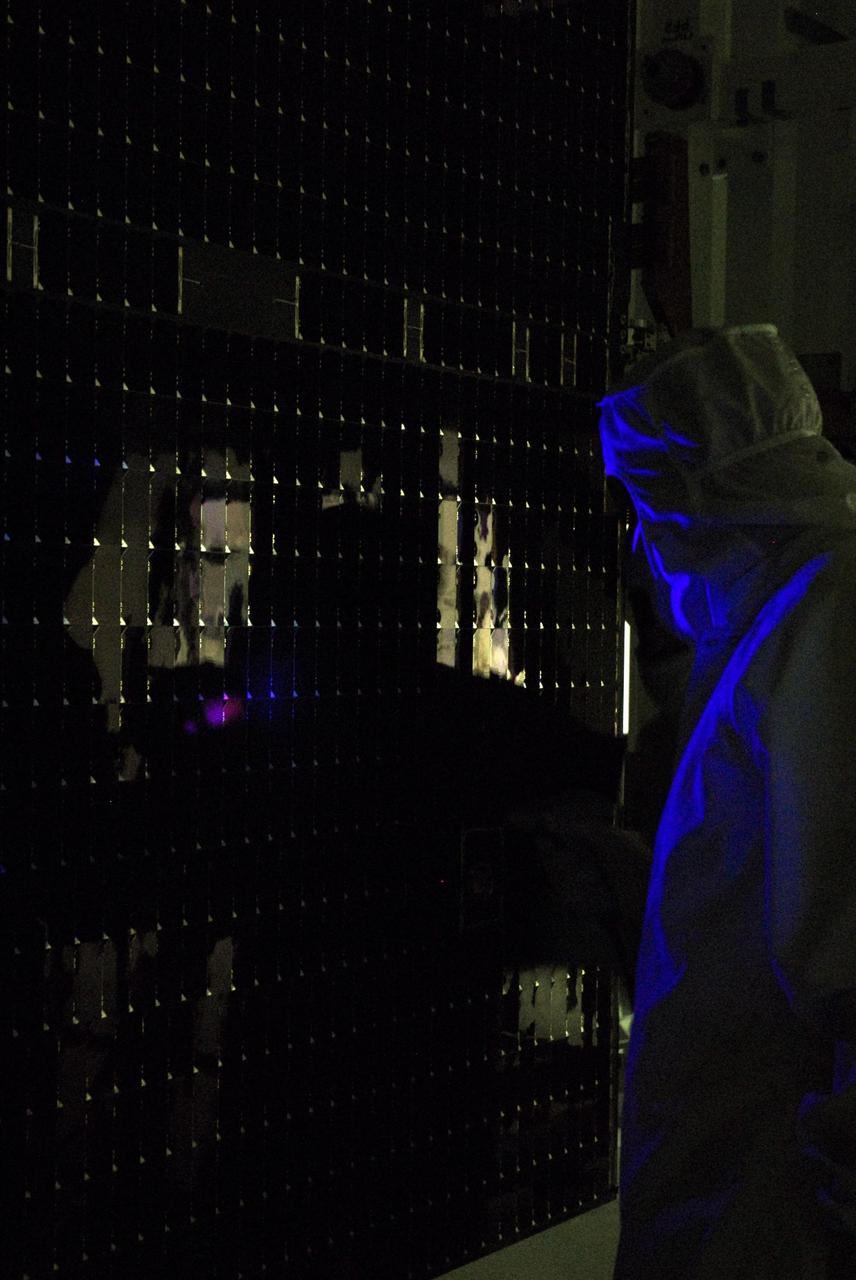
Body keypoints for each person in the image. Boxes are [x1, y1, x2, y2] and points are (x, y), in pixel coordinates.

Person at [597, 324, 856, 1278]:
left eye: (647, 504)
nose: (641, 543)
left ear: (708, 491)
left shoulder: (830, 613)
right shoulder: (787, 613)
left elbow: (843, 960)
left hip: (768, 1228)